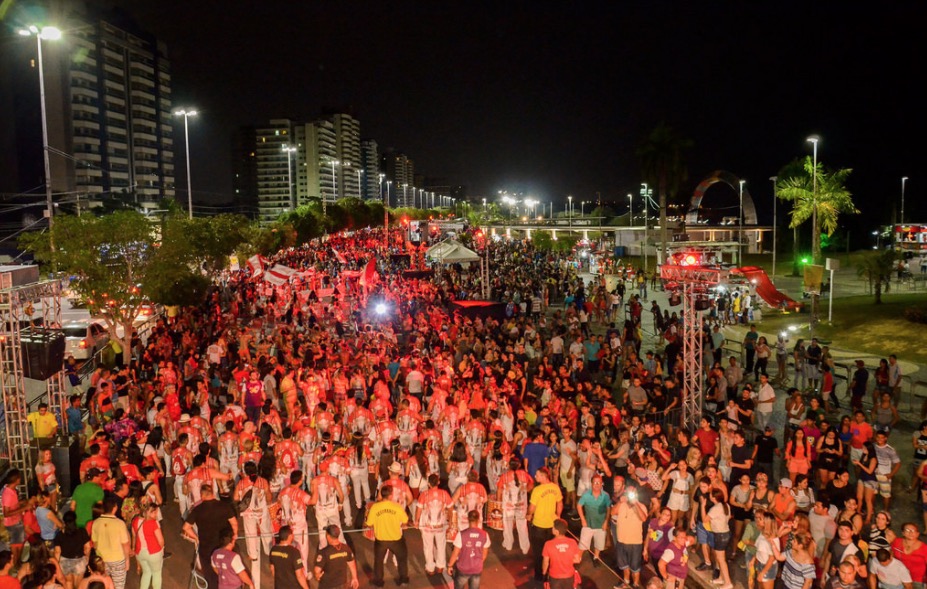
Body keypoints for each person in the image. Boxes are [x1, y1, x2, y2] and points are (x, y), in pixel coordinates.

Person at [182, 485, 238, 589]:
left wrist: (196, 538)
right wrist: (234, 536)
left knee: (210, 575)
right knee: (227, 571)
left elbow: (186, 527)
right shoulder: (224, 506)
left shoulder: (197, 510)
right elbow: (234, 523)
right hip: (223, 544)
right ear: (212, 492)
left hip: (206, 547)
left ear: (202, 495)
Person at [365, 485, 409, 587]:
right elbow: (405, 520)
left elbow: (369, 523)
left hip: (381, 540)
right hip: (396, 539)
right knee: (401, 559)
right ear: (390, 495)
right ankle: (403, 580)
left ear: (381, 495)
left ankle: (379, 582)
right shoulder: (397, 506)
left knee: (379, 561)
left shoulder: (375, 507)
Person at [527, 468, 563, 581]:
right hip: (551, 527)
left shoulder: (537, 490)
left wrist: (528, 515)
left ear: (544, 476)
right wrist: (558, 516)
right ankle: (548, 573)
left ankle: (539, 575)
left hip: (538, 526)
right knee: (550, 552)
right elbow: (560, 503)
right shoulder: (555, 487)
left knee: (538, 553)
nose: (535, 476)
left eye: (537, 475)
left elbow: (532, 507)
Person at [91, 496, 132, 589]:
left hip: (102, 560)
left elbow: (95, 544)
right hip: (118, 560)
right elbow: (125, 544)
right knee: (118, 586)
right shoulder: (119, 523)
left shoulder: (96, 523)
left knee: (105, 584)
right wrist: (127, 560)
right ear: (115, 508)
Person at [612, 482, 648, 587]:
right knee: (624, 566)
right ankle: (626, 582)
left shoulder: (641, 506)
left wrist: (635, 503)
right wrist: (619, 502)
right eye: (629, 493)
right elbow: (612, 512)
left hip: (635, 543)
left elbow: (644, 518)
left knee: (635, 567)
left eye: (633, 493)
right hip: (621, 541)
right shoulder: (621, 504)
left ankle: (636, 584)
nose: (631, 494)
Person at [448, 509, 491, 589]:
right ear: (478, 520)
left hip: (463, 569)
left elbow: (455, 553)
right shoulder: (485, 535)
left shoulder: (461, 535)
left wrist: (450, 565)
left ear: (468, 519)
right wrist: (477, 563)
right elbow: (484, 554)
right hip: (476, 569)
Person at [577, 474, 611, 564]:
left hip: (601, 525)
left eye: (599, 483)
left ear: (602, 484)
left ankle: (596, 557)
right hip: (588, 524)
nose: (597, 484)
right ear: (591, 484)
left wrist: (606, 522)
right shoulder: (586, 495)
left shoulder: (606, 496)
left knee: (599, 545)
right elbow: (579, 505)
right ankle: (578, 559)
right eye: (595, 482)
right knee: (583, 544)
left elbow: (608, 509)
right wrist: (582, 519)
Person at [1, 470, 31, 568]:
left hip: (16, 521)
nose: (20, 479)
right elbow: (6, 513)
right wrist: (23, 508)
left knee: (19, 543)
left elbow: (13, 506)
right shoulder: (8, 494)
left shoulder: (13, 490)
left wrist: (21, 503)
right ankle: (15, 564)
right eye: (19, 478)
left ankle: (17, 563)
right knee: (16, 545)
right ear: (16, 480)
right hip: (12, 523)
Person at [313, 525, 358, 589]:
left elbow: (317, 571)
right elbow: (352, 564)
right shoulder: (346, 548)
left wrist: (317, 576)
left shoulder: (323, 552)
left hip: (327, 585)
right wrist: (354, 578)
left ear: (328, 536)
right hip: (342, 584)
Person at [54, 511, 91, 589]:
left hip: (64, 561)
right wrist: (87, 558)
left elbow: (57, 551)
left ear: (64, 521)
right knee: (79, 585)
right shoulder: (82, 531)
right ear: (75, 520)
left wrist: (56, 565)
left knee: (68, 582)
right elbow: (87, 547)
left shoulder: (60, 534)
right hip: (79, 560)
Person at [541, 519, 581, 589]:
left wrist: (544, 573)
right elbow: (577, 560)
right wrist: (566, 560)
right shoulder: (572, 542)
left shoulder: (548, 544)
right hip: (569, 576)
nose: (552, 528)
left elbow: (545, 562)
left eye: (553, 527)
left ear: (556, 532)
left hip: (554, 576)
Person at [132, 504, 164, 589]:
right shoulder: (153, 522)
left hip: (140, 553)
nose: (156, 515)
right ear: (149, 512)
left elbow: (134, 537)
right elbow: (161, 540)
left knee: (146, 573)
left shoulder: (135, 521)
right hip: (153, 552)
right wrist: (161, 550)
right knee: (156, 573)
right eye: (155, 512)